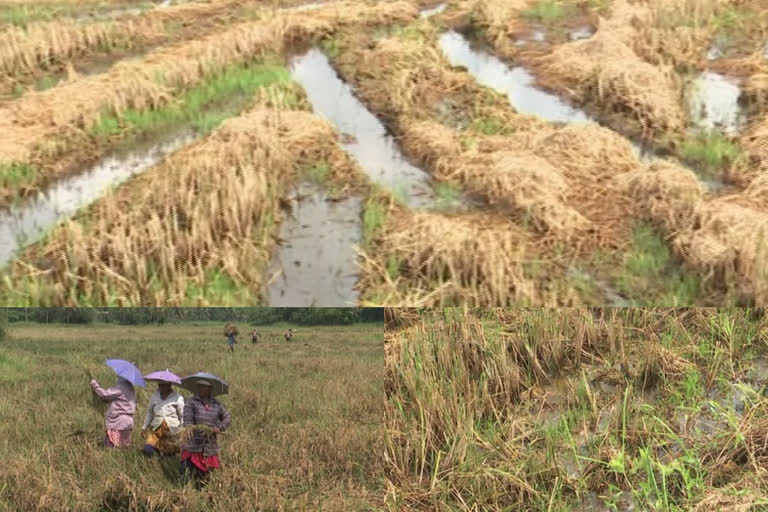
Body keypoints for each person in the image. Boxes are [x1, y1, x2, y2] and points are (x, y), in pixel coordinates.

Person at [180, 380, 231, 488]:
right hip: (193, 445)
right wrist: (194, 427)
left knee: (204, 480)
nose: (201, 389)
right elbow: (187, 421)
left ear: (210, 389)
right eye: (200, 386)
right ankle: (184, 493)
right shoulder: (191, 402)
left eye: (204, 387)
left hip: (209, 446)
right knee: (186, 473)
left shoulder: (216, 404)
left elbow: (227, 418)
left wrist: (219, 428)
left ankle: (200, 493)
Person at [89, 373, 136, 449]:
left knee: (111, 447)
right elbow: (119, 401)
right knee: (124, 448)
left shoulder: (121, 387)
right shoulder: (130, 388)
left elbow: (105, 394)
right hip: (127, 423)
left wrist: (95, 385)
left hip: (118, 422)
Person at [141, 381, 184, 457]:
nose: (161, 387)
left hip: (171, 430)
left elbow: (182, 415)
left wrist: (182, 430)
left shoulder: (177, 397)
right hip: (156, 429)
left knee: (169, 455)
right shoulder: (154, 396)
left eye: (164, 385)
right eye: (160, 385)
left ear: (170, 385)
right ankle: (156, 454)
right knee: (148, 449)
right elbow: (150, 413)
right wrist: (144, 427)